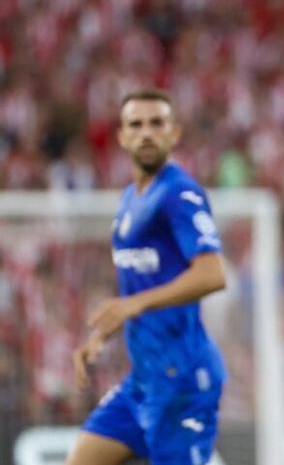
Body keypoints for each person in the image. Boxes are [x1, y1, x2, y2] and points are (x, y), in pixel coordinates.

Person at [67, 89, 227, 465]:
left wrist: (131, 306)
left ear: (175, 133)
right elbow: (140, 284)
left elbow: (213, 273)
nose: (146, 133)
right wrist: (101, 333)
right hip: (142, 382)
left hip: (182, 382)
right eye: (136, 125)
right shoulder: (129, 200)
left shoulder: (178, 194)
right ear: (122, 136)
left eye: (157, 123)